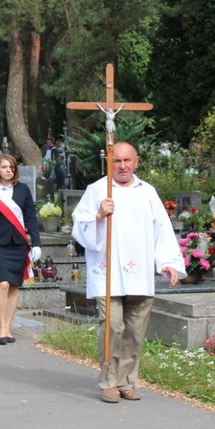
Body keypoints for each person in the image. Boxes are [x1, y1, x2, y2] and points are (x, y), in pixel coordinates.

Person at [71, 141, 185, 404]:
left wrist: (167, 261)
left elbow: (161, 228)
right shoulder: (98, 189)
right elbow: (79, 226)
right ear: (109, 161)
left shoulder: (147, 192)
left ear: (136, 162)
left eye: (127, 160)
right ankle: (109, 381)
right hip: (108, 272)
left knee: (135, 330)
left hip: (140, 272)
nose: (122, 166)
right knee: (112, 325)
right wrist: (99, 215)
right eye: (117, 161)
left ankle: (127, 381)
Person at [0, 154, 42, 345]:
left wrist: (37, 243)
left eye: (11, 167)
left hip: (18, 244)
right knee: (3, 284)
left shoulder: (22, 190)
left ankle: (8, 327)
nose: (8, 170)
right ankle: (1, 328)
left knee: (14, 286)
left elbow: (30, 216)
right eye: (4, 167)